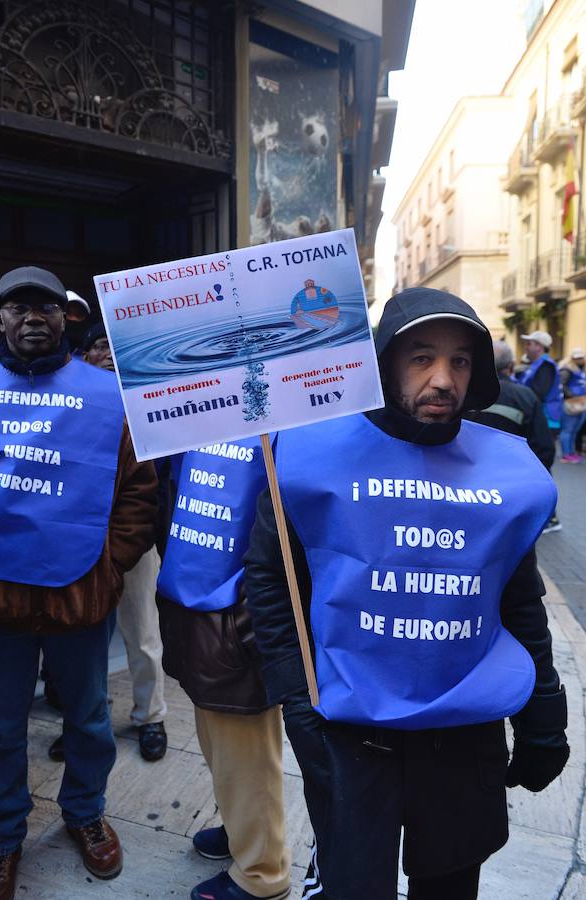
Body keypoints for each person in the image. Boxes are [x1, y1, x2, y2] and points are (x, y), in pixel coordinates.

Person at [244, 287, 569, 900]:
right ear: (384, 363)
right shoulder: (312, 454)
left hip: (464, 734)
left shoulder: (505, 471)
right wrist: (297, 700)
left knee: (449, 884)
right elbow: (271, 581)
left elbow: (518, 599)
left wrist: (542, 710)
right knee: (354, 886)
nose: (443, 379)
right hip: (351, 733)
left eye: (460, 361)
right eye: (421, 358)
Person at [0, 267, 158, 898]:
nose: (33, 317)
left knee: (87, 718)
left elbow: (141, 489)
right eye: (17, 307)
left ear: (68, 318)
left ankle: (85, 812)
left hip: (80, 594)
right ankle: (1, 836)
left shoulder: (110, 394)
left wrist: (109, 564)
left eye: (47, 308)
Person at [157, 439, 291, 900]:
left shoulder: (285, 408)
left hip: (239, 605)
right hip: (196, 595)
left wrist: (256, 612)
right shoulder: (206, 402)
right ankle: (242, 832)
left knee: (247, 748)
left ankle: (261, 873)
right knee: (218, 732)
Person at [45, 324, 168, 763]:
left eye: (116, 348)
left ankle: (150, 716)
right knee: (82, 646)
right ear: (82, 356)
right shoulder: (67, 403)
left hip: (132, 542)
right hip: (78, 546)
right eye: (101, 346)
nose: (110, 355)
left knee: (143, 634)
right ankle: (80, 724)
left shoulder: (144, 401)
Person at [466, 340, 555, 469]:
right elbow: (544, 450)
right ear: (511, 366)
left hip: (467, 479)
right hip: (514, 477)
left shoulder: (462, 392)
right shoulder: (526, 396)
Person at [519, 330, 563, 531]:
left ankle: (551, 517)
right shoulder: (535, 365)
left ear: (540, 346)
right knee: (539, 467)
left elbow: (538, 393)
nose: (527, 346)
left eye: (530, 343)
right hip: (540, 421)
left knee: (541, 467)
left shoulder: (545, 366)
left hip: (546, 421)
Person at [558, 348, 586, 463]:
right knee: (567, 429)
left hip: (581, 403)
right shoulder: (567, 370)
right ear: (572, 358)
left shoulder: (581, 370)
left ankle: (571, 453)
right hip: (571, 403)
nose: (580, 359)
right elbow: (561, 385)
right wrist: (572, 395)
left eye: (581, 357)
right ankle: (565, 454)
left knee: (575, 430)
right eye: (577, 357)